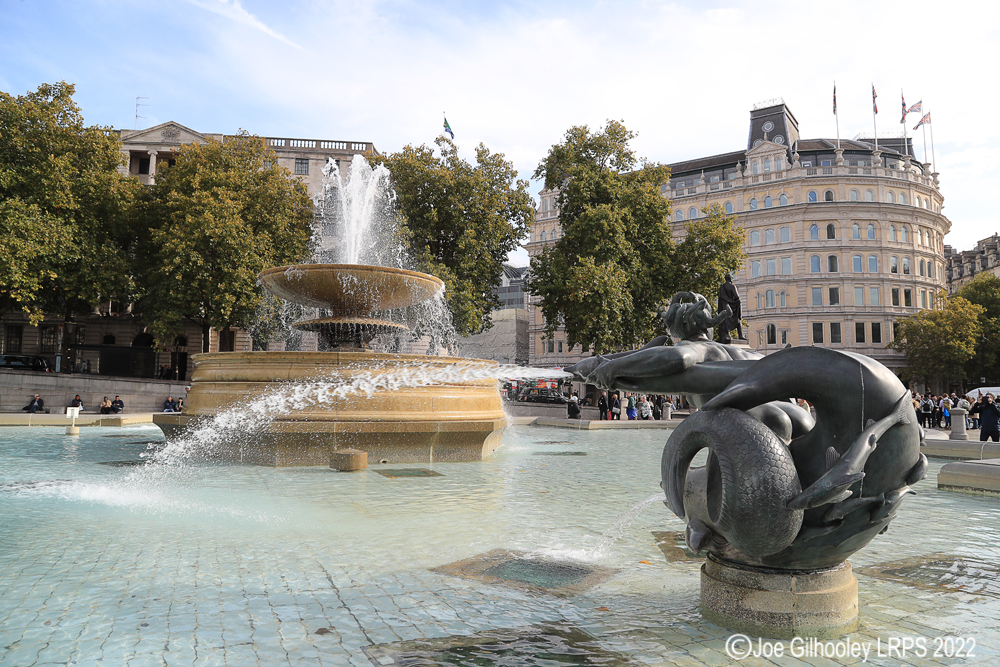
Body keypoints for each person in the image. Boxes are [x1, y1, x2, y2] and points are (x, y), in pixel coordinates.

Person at [717, 274, 746, 344]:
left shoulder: (722, 287)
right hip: (732, 307)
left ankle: (726, 335)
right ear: (731, 279)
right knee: (738, 320)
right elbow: (737, 297)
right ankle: (740, 336)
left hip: (724, 308)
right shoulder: (732, 286)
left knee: (725, 321)